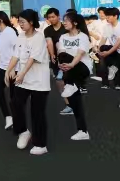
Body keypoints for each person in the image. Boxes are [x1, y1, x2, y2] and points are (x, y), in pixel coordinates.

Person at [6, 9, 50, 156]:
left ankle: (40, 144)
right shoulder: (20, 36)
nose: (21, 25)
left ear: (31, 22)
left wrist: (21, 73)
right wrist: (8, 70)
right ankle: (23, 131)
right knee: (15, 103)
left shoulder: (39, 37)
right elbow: (16, 55)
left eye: (23, 22)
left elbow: (33, 58)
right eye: (19, 22)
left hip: (39, 81)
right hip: (23, 80)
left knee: (37, 112)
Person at [56, 13, 91, 141]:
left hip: (82, 68)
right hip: (69, 71)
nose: (64, 23)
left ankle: (71, 85)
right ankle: (83, 131)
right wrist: (62, 65)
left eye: (66, 21)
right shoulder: (63, 37)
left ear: (75, 23)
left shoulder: (83, 37)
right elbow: (60, 51)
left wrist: (71, 64)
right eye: (63, 20)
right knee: (75, 102)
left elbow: (80, 53)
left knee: (65, 57)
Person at [0, 11, 18, 129]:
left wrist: (12, 68)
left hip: (13, 68)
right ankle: (8, 116)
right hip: (2, 67)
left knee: (14, 97)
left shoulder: (10, 31)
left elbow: (17, 50)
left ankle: (18, 122)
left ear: (0, 19)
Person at [43, 8, 70, 115]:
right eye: (49, 17)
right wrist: (52, 54)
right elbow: (49, 43)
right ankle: (69, 105)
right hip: (56, 59)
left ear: (58, 16)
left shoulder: (66, 27)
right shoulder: (47, 30)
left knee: (65, 81)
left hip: (69, 58)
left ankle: (73, 104)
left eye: (53, 16)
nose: (51, 19)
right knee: (60, 83)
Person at [96, 8, 120, 89]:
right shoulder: (106, 27)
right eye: (106, 16)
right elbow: (103, 39)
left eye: (108, 16)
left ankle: (117, 84)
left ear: (115, 16)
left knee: (116, 62)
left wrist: (108, 52)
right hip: (113, 49)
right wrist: (99, 50)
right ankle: (105, 83)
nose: (106, 18)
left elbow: (118, 43)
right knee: (103, 49)